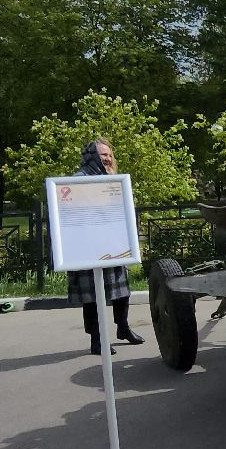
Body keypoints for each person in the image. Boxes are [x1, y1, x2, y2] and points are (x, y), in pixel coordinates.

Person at [68, 140, 146, 356]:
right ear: (91, 156)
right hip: (89, 248)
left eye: (110, 155)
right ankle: (97, 339)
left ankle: (123, 327)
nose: (108, 159)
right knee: (93, 296)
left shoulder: (113, 179)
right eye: (103, 155)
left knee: (122, 291)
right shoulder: (79, 180)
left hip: (114, 244)